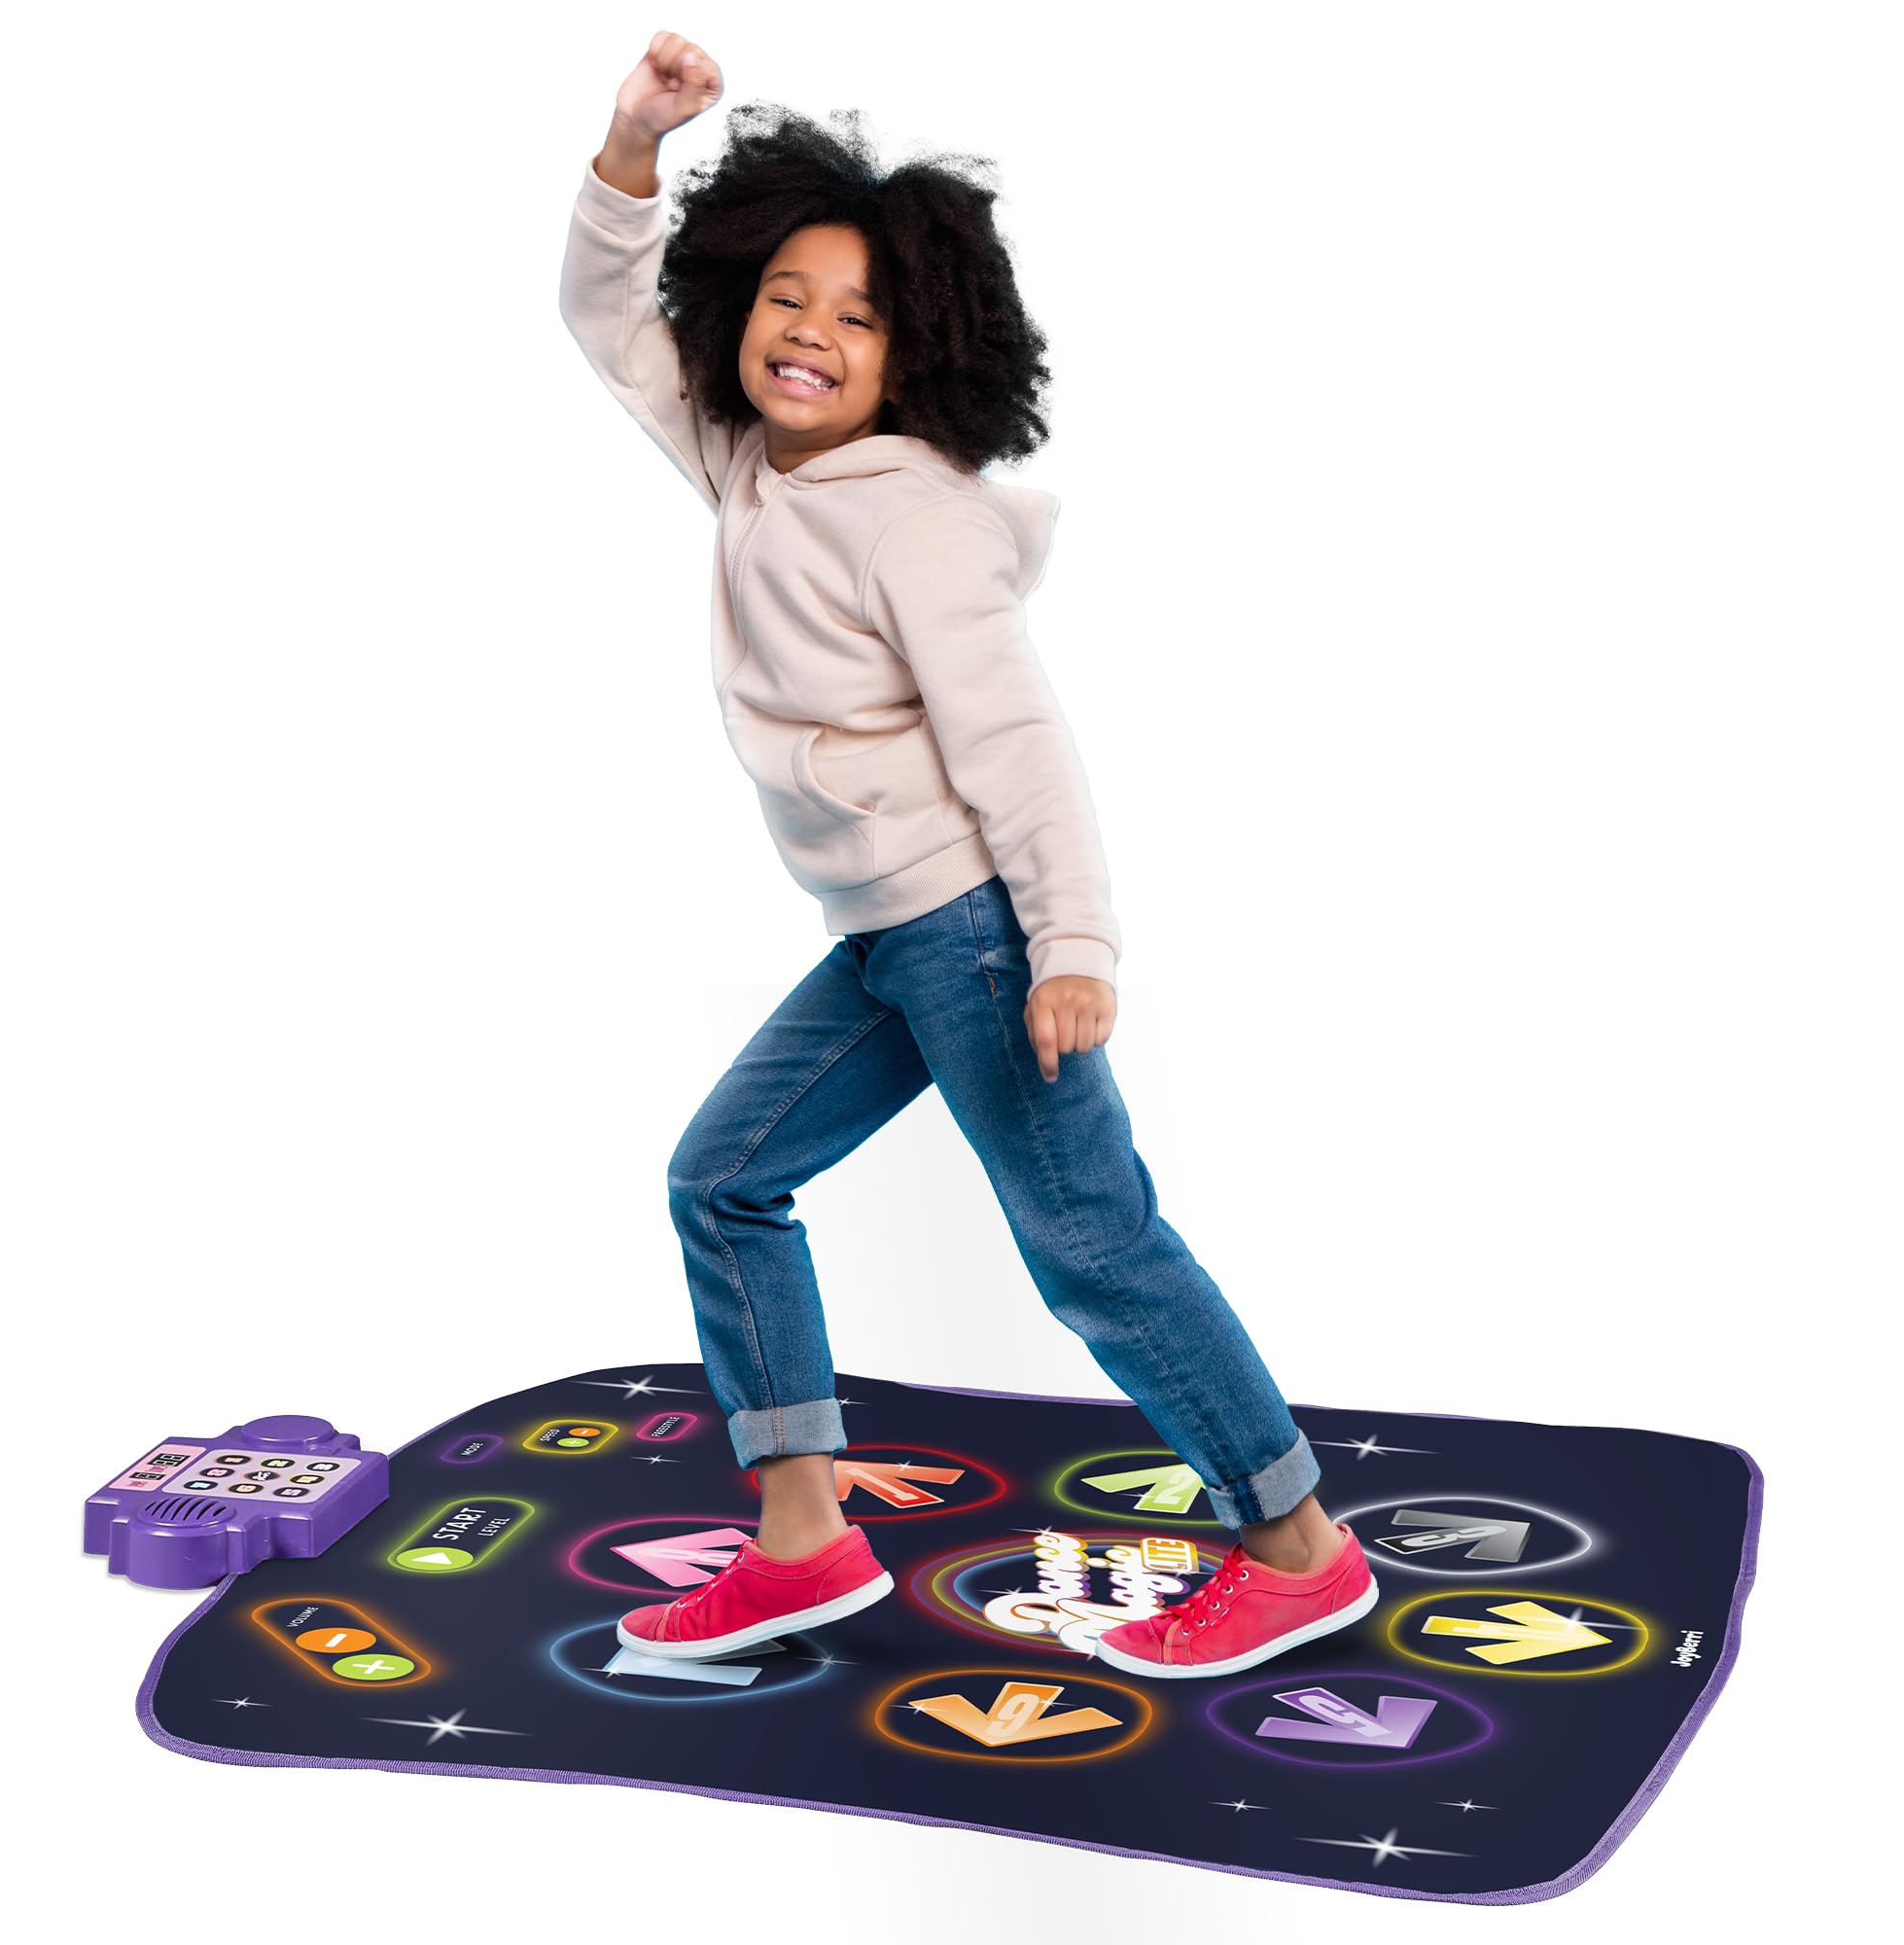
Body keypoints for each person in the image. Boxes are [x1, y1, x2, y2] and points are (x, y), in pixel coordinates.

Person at [557, 30, 1377, 1679]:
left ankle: (1300, 1550)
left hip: (978, 935)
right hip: (884, 939)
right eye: (787, 296)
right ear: (736, 304)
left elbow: (1019, 744)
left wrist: (1073, 947)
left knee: (1092, 1244)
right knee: (724, 1179)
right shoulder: (746, 459)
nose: (810, 332)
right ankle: (803, 1540)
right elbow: (606, 321)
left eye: (859, 318)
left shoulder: (915, 519)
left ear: (917, 354)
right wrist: (632, 147)